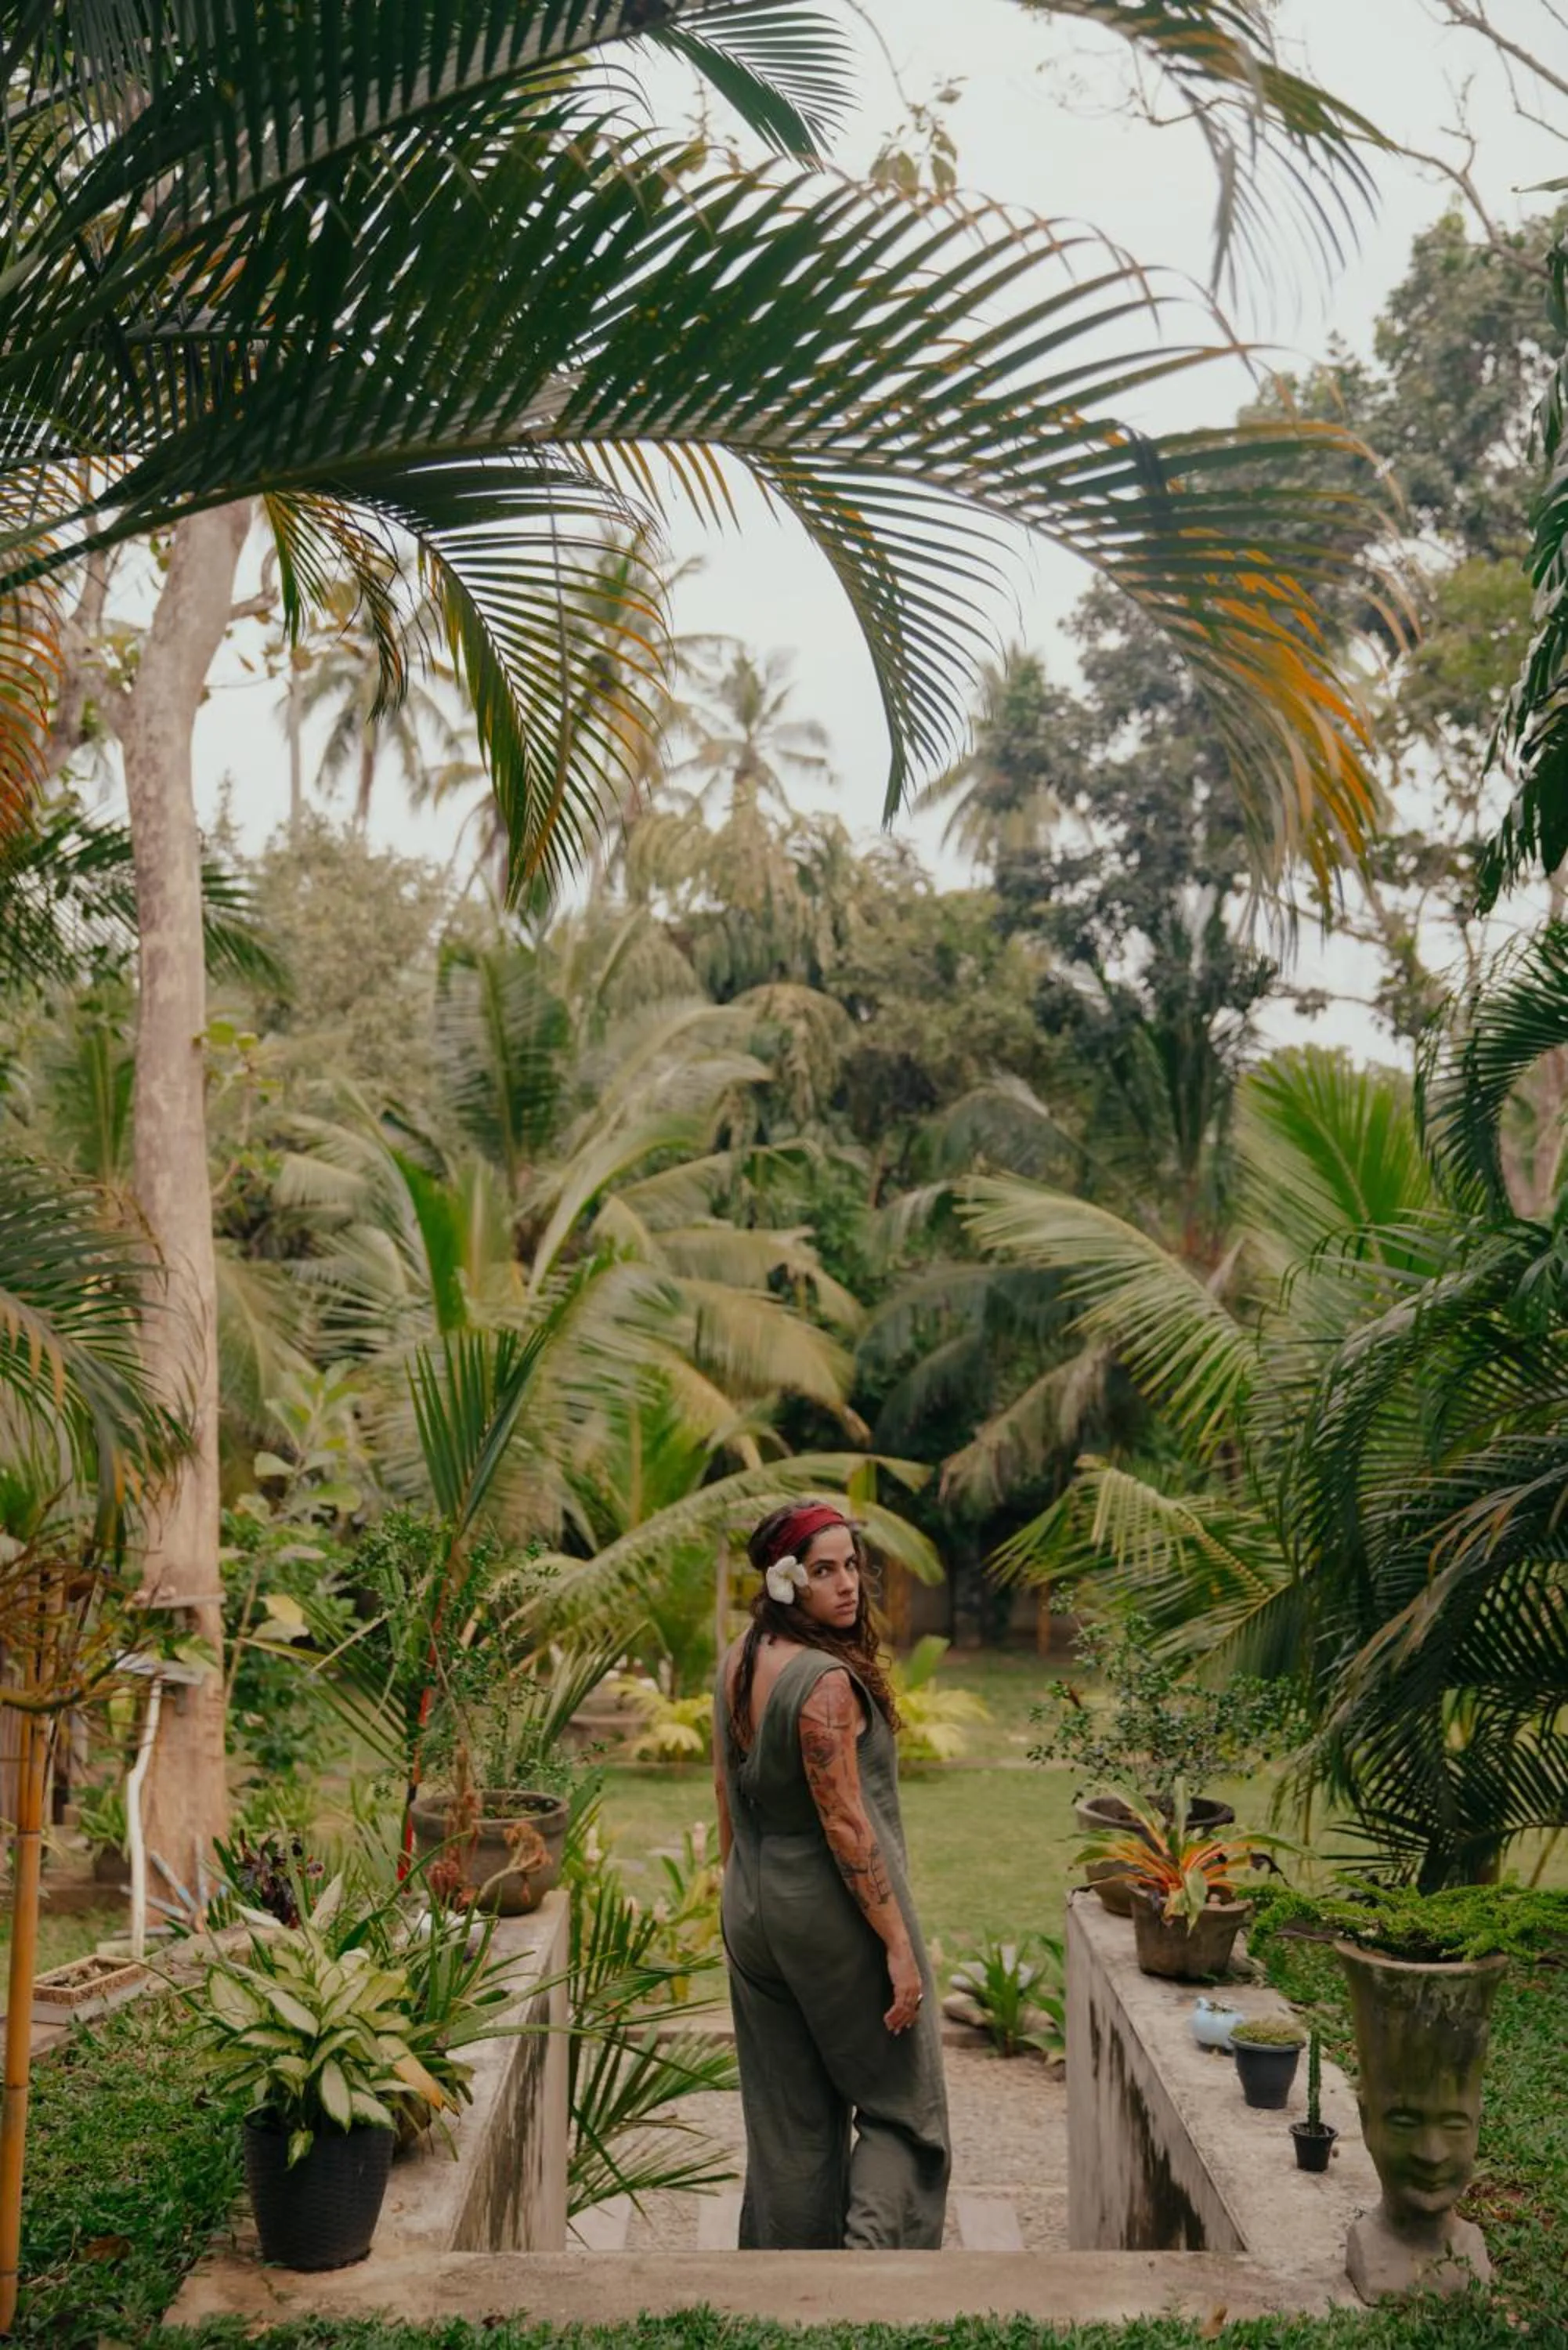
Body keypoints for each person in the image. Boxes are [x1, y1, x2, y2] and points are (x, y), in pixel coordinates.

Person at [712, 1499, 951, 2250]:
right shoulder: (822, 1684)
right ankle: (868, 2285)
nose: (847, 1584)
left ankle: (785, 2297)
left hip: (753, 1907)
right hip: (832, 1917)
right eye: (824, 1571)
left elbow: (724, 1790)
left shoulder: (739, 1656)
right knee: (897, 2107)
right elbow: (847, 1825)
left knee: (789, 2122)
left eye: (853, 1565)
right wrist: (898, 1946)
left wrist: (742, 1894)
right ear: (786, 1582)